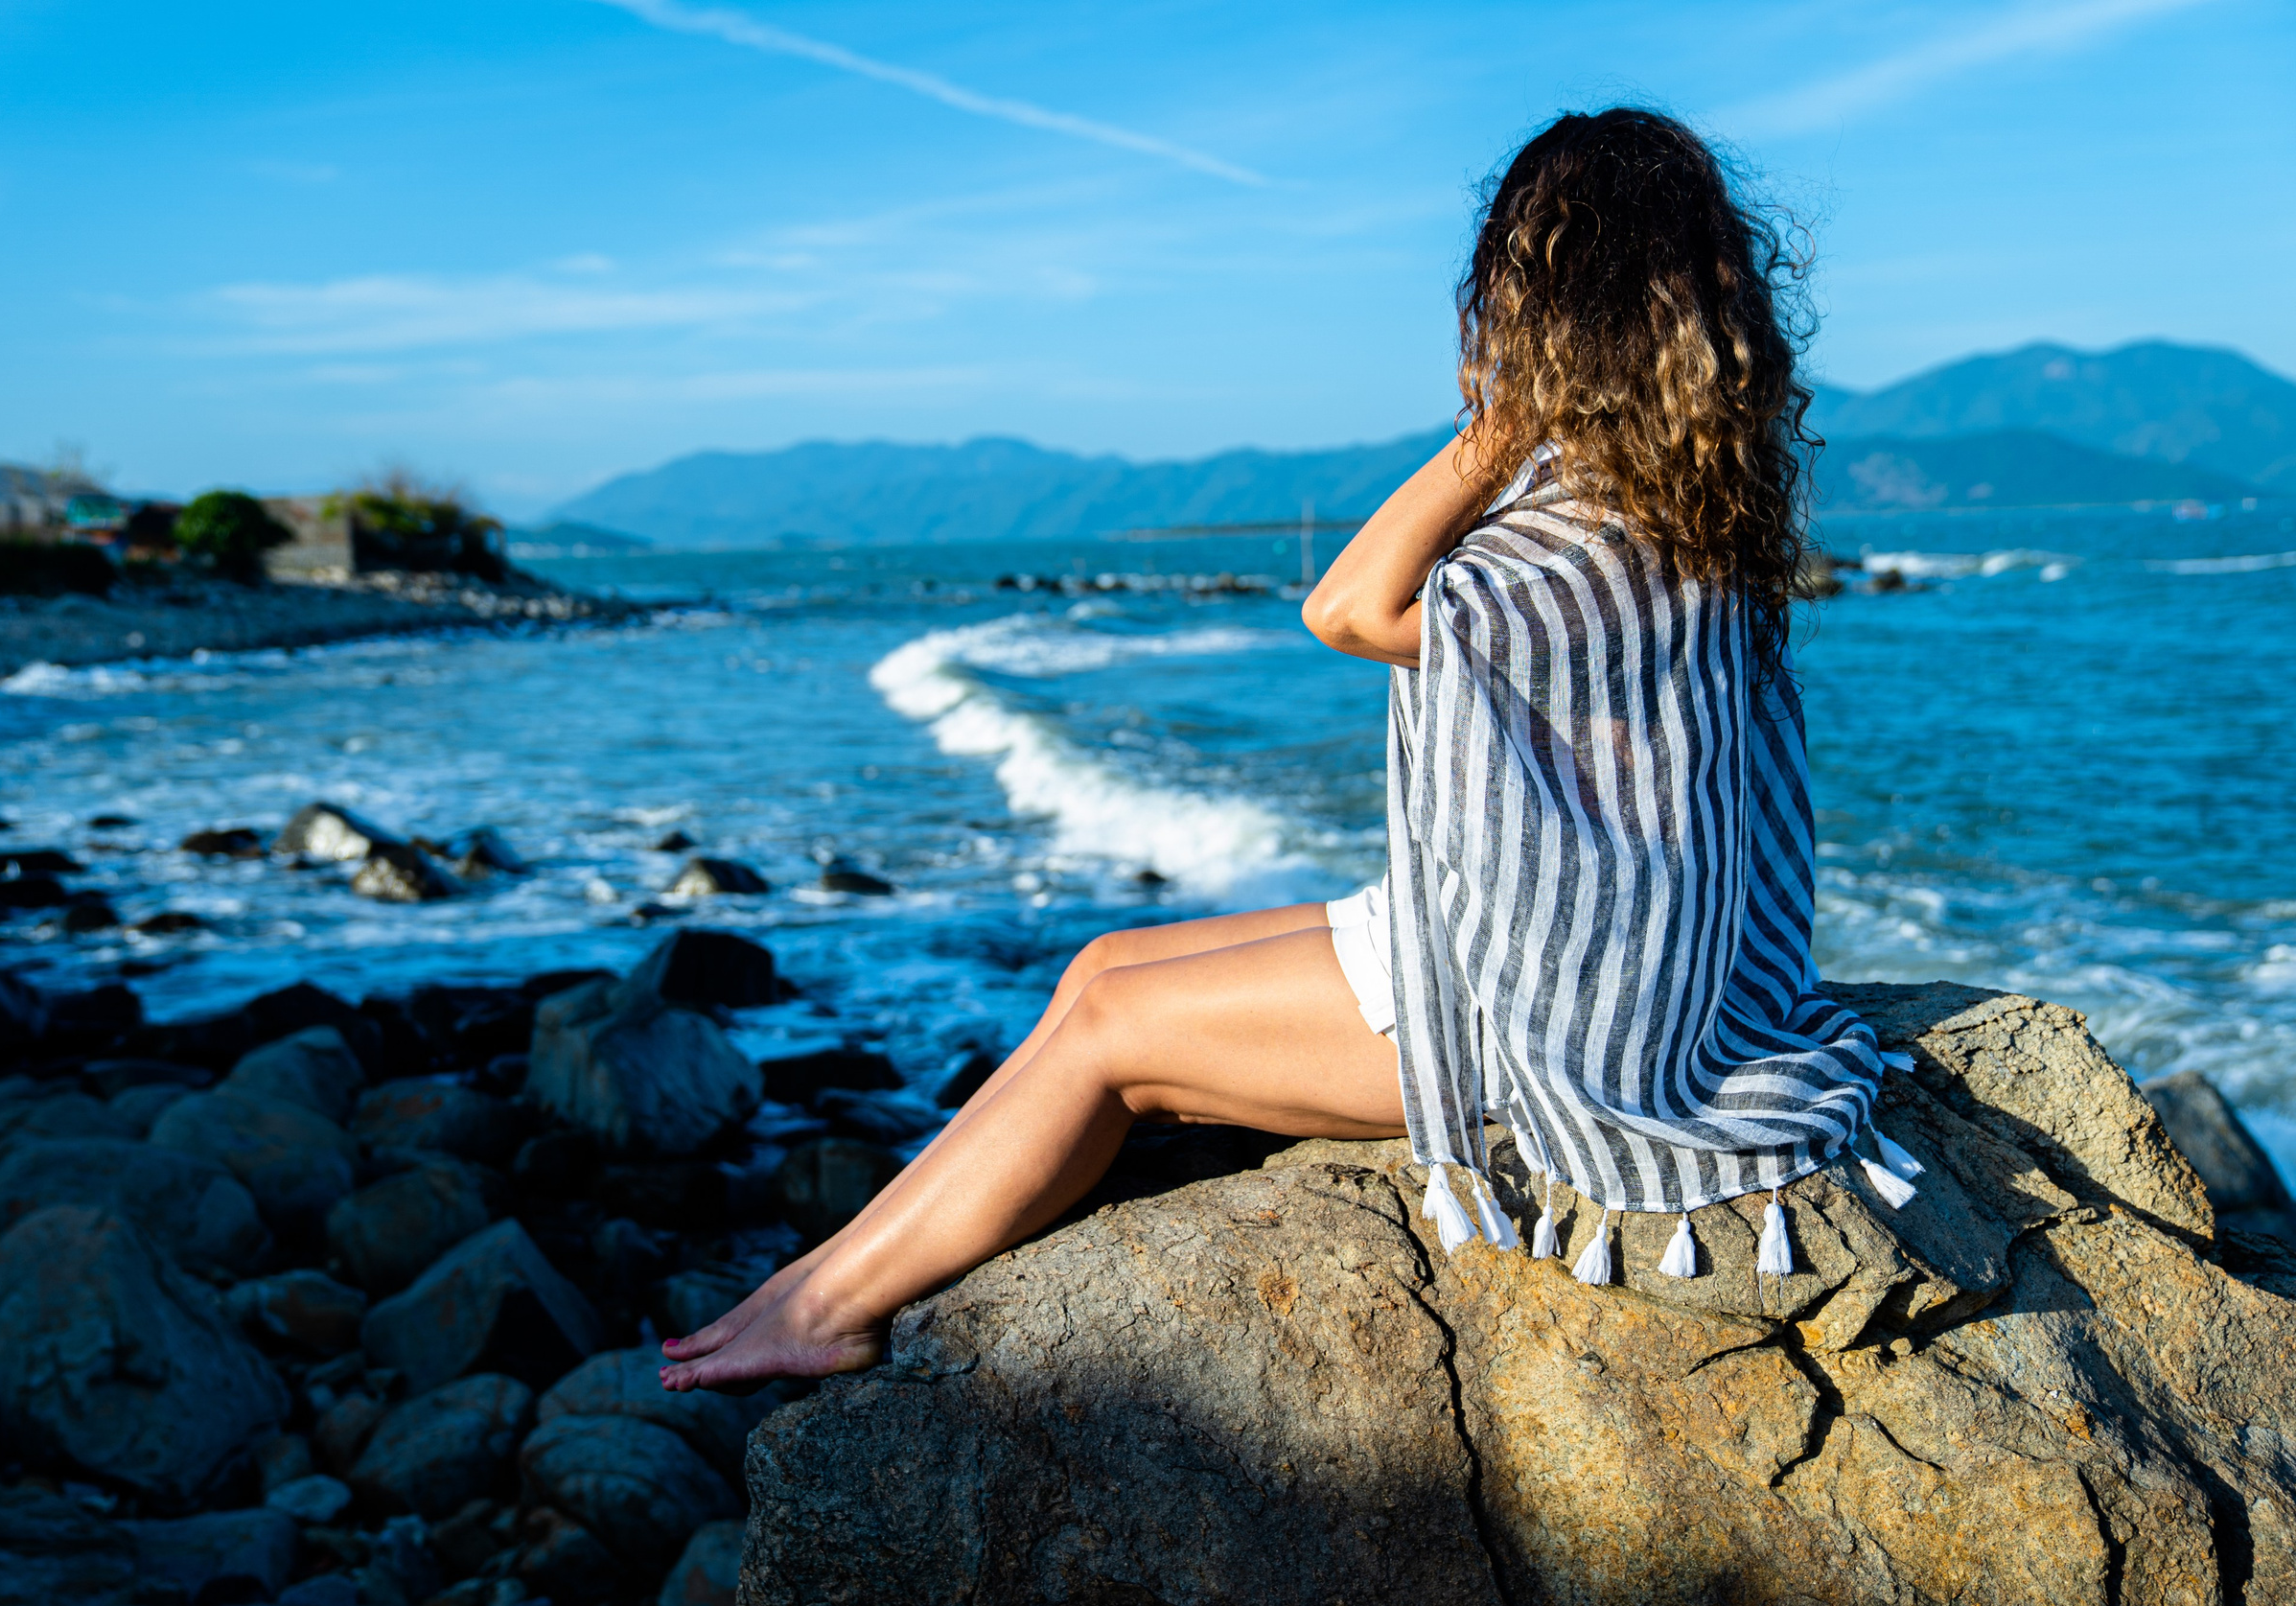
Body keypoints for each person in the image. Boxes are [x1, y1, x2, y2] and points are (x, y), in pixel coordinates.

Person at [660, 106, 1910, 1392]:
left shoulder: (1578, 534)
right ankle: (829, 1270)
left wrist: (1500, 421)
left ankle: (830, 1302)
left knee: (1109, 1038)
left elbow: (1350, 609)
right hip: (1564, 944)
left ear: (1545, 307)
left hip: (1548, 1012)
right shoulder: (1686, 504)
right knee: (1099, 965)